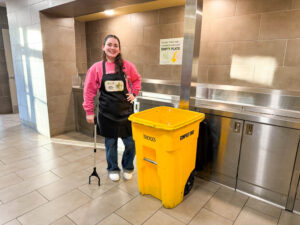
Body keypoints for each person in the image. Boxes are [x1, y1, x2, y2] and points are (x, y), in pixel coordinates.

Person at [83, 34, 141, 181]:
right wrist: (89, 111)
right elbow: (89, 90)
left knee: (131, 143)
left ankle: (128, 167)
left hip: (126, 112)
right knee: (111, 144)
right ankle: (113, 168)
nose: (112, 48)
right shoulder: (96, 68)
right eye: (109, 44)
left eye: (115, 45)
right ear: (103, 47)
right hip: (106, 113)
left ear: (119, 49)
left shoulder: (128, 66)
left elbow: (137, 80)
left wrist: (134, 93)